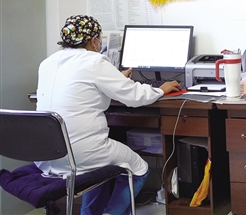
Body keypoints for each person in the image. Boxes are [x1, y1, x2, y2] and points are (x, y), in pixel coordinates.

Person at [35, 15, 181, 215]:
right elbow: (135, 96)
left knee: (98, 168)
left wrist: (116, 80)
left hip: (46, 153)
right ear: (94, 40)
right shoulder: (94, 61)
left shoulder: (48, 62)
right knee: (138, 167)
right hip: (80, 152)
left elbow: (83, 90)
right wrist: (161, 89)